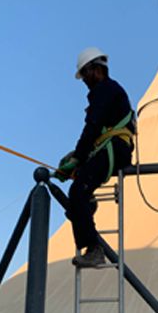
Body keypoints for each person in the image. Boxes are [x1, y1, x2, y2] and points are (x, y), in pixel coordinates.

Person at [56, 47, 135, 268]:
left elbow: (92, 128)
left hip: (114, 149)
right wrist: (77, 157)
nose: (83, 80)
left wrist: (78, 157)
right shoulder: (110, 91)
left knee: (77, 191)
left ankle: (93, 249)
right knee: (78, 195)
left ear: (96, 69)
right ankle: (86, 206)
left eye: (84, 74)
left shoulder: (104, 91)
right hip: (115, 148)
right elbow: (97, 132)